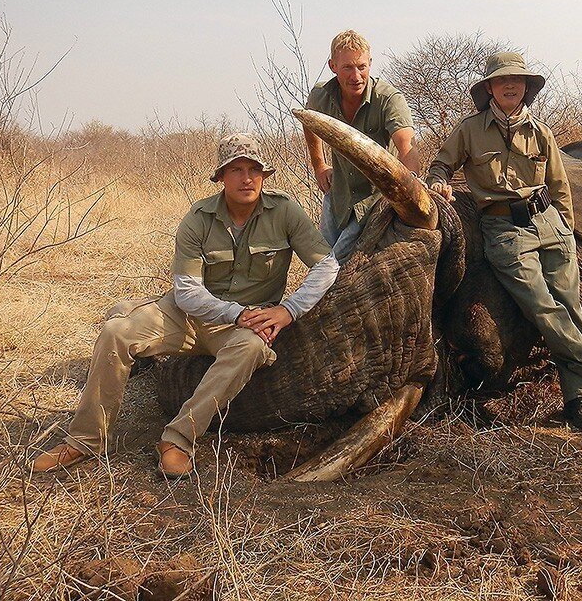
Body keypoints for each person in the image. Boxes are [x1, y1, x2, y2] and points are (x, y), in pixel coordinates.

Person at [31, 133, 339, 478]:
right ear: (221, 176)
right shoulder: (198, 217)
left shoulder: (285, 212)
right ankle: (85, 440)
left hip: (245, 325)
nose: (247, 178)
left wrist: (289, 310)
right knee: (117, 331)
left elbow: (327, 265)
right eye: (236, 170)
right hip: (192, 315)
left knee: (251, 348)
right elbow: (188, 292)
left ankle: (177, 439)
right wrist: (234, 312)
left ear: (264, 176)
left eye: (254, 169)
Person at [425, 52, 582, 430]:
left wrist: (565, 227)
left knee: (570, 306)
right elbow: (441, 164)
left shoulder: (541, 131)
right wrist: (438, 180)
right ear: (489, 89)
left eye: (518, 80)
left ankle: (578, 399)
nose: (511, 85)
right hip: (504, 230)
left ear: (526, 88)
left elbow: (559, 185)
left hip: (550, 224)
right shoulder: (469, 130)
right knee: (543, 308)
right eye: (503, 81)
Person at [304, 30, 421, 260]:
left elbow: (406, 144)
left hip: (374, 200)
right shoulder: (321, 96)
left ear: (370, 64)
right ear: (332, 66)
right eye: (347, 67)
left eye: (361, 67)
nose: (356, 76)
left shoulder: (388, 98)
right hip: (337, 195)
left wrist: (412, 190)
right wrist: (319, 165)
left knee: (333, 265)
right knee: (320, 262)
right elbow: (309, 123)